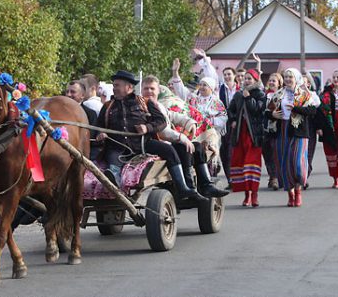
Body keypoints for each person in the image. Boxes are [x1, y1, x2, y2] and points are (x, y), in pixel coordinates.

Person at [96, 70, 205, 202]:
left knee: (169, 150)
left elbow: (161, 122)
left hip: (142, 144)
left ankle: (182, 188)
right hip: (117, 147)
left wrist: (147, 128)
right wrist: (100, 134)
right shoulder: (108, 106)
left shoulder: (145, 102)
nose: (114, 88)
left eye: (117, 85)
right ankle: (116, 186)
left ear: (129, 87)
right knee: (112, 160)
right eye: (114, 85)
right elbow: (99, 126)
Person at [141, 76, 228, 198]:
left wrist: (189, 122)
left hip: (166, 141)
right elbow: (161, 130)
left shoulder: (157, 105)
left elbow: (171, 115)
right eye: (146, 89)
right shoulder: (142, 106)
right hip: (157, 142)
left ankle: (206, 185)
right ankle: (188, 188)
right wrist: (182, 138)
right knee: (185, 147)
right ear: (141, 90)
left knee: (197, 147)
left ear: (158, 91)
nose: (149, 91)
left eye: (152, 89)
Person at [267, 68, 316, 207]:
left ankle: (299, 190)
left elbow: (312, 111)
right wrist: (272, 115)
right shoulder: (278, 94)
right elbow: (267, 111)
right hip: (282, 130)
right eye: (286, 76)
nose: (288, 79)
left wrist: (295, 108)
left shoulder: (304, 94)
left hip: (299, 131)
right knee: (284, 163)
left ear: (296, 79)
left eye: (291, 77)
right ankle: (291, 194)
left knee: (298, 164)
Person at [227, 69, 265, 207]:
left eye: (250, 78)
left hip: (254, 135)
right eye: (245, 78)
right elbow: (231, 109)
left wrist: (248, 97)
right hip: (239, 133)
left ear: (255, 80)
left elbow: (258, 110)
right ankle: (246, 194)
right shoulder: (238, 95)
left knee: (252, 163)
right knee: (241, 162)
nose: (246, 81)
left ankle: (254, 194)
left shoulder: (260, 94)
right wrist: (232, 120)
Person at [218, 67, 239, 187]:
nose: (227, 76)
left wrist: (235, 119)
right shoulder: (221, 89)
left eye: (229, 74)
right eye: (225, 74)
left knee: (233, 151)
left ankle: (236, 179)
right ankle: (230, 179)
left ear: (234, 75)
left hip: (237, 123)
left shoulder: (239, 89)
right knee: (224, 151)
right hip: (224, 123)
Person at [263, 72, 283, 190]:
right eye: (270, 80)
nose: (271, 83)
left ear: (279, 83)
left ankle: (277, 177)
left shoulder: (283, 95)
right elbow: (262, 111)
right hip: (266, 128)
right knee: (267, 155)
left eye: (274, 81)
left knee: (277, 153)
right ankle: (272, 177)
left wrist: (274, 115)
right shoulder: (264, 95)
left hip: (279, 129)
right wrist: (271, 114)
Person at [302, 74, 321, 187]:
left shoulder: (313, 95)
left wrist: (319, 128)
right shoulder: (294, 94)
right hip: (298, 127)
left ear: (308, 84)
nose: (301, 85)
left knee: (309, 153)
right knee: (300, 154)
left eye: (304, 82)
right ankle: (301, 176)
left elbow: (317, 104)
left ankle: (305, 175)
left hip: (310, 127)